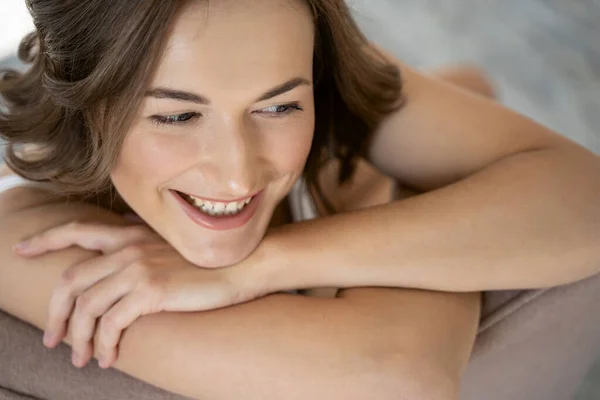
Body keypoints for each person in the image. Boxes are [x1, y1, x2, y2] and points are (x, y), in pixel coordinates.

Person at [0, 0, 599, 399]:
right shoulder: (22, 225)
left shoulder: (309, 64)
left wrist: (264, 264)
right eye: (177, 115)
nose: (237, 176)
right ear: (83, 102)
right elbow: (396, 374)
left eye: (279, 105)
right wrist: (400, 187)